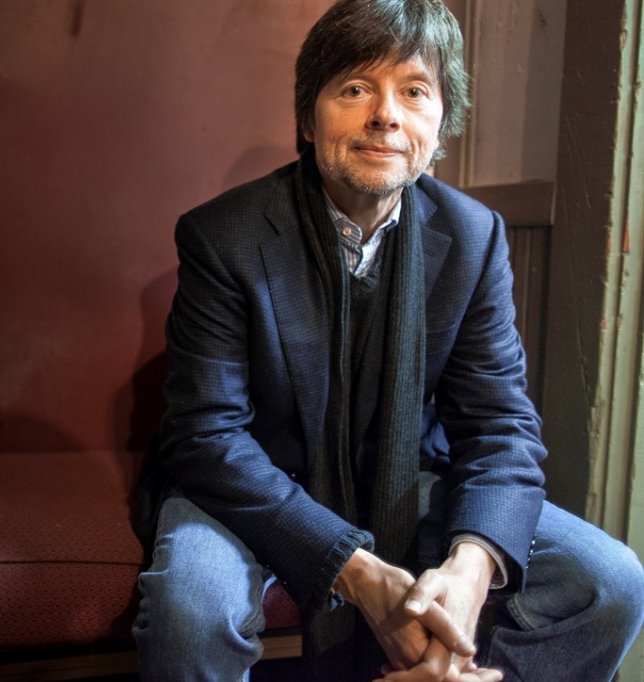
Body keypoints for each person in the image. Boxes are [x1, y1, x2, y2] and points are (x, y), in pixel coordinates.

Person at [130, 0, 644, 680]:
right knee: (191, 608)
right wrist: (359, 571)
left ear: (439, 126)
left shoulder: (472, 237)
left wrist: (470, 567)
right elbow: (206, 437)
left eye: (414, 91)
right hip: (256, 481)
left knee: (610, 582)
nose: (385, 115)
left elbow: (500, 425)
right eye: (354, 89)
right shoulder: (225, 236)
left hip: (403, 476)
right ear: (308, 121)